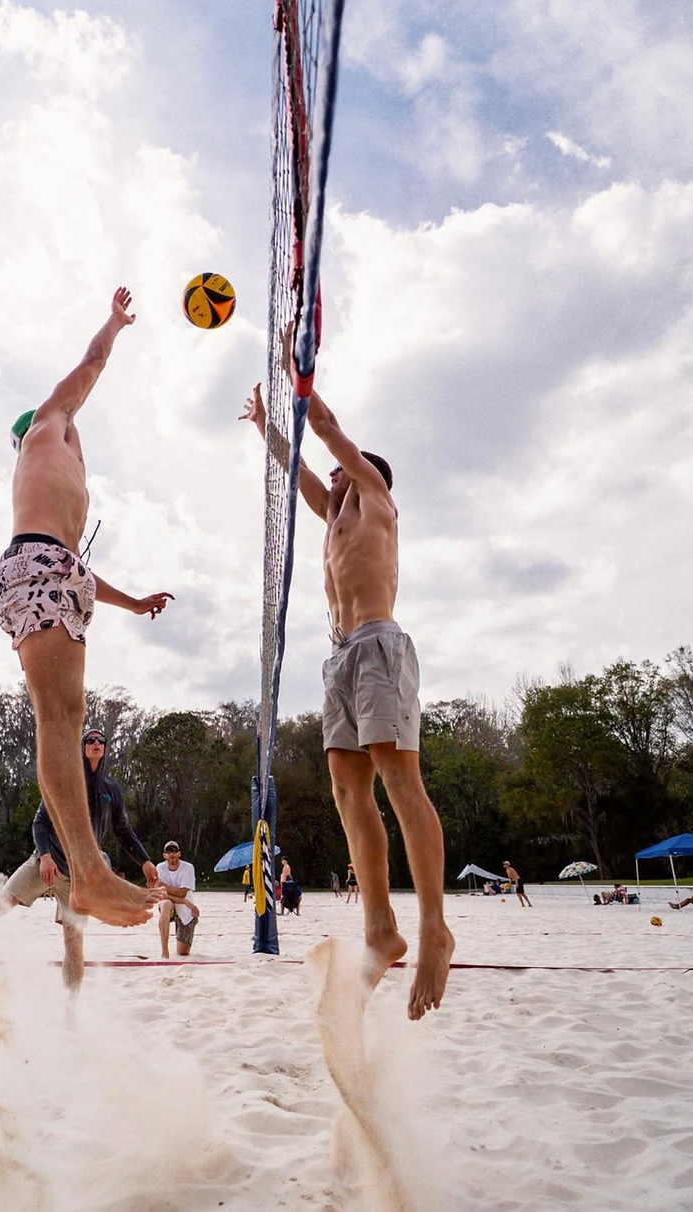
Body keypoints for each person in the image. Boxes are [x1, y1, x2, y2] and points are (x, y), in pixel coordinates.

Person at [241, 373, 453, 1021]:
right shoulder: (334, 520)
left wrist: (295, 366)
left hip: (380, 645)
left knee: (398, 781)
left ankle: (434, 929)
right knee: (346, 793)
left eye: (341, 475)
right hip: (338, 660)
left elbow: (329, 438)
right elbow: (301, 468)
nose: (331, 480)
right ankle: (380, 929)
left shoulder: (376, 497)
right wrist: (264, 428)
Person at [0, 287, 171, 930]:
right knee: (57, 719)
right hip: (36, 563)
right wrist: (115, 324)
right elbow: (92, 363)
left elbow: (80, 571)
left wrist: (132, 602)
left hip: (58, 572)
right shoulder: (45, 424)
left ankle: (91, 872)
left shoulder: (71, 474)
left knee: (69, 717)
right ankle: (88, 871)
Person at [0, 729, 159, 992]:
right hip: (46, 862)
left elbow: (124, 831)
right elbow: (40, 822)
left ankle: (70, 1010)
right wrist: (46, 856)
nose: (96, 744)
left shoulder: (112, 790)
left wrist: (144, 860)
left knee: (74, 942)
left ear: (105, 748)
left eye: (101, 741)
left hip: (79, 875)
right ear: (81, 747)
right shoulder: (63, 780)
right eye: (90, 740)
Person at [156, 841, 199, 959]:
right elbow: (162, 895)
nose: (172, 854)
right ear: (164, 855)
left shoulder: (188, 868)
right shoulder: (160, 867)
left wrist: (164, 886)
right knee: (165, 904)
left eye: (174, 851)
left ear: (179, 853)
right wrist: (184, 901)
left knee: (183, 952)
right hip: (177, 904)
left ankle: (180, 935)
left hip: (186, 910)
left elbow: (182, 893)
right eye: (168, 851)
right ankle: (165, 951)